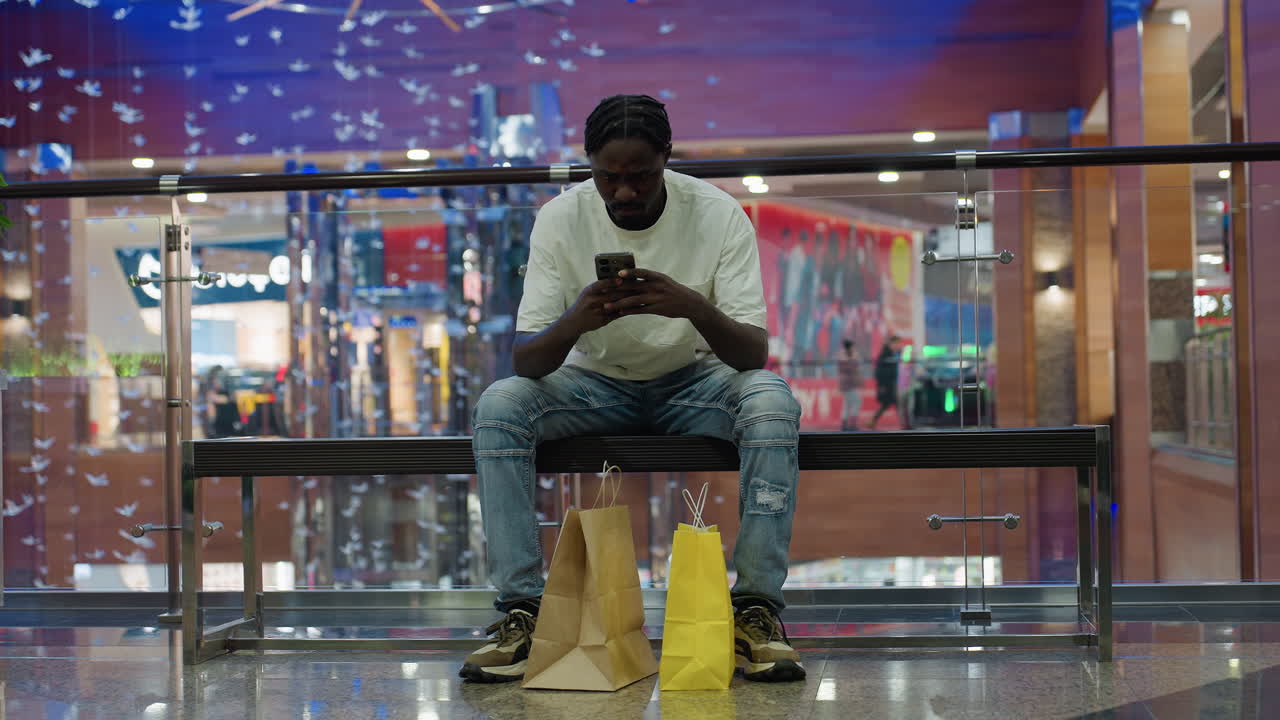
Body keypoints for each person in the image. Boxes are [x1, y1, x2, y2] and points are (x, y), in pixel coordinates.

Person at [462, 95, 804, 685]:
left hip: (695, 382)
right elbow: (526, 360)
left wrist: (692, 306)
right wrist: (577, 320)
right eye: (608, 178)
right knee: (499, 407)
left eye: (640, 177)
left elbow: (752, 354)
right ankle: (523, 611)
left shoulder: (719, 213)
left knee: (772, 403)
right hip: (594, 385)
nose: (624, 193)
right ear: (590, 165)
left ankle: (755, 611)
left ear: (666, 160)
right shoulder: (560, 217)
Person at [870, 335, 902, 429]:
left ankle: (873, 420)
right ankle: (904, 423)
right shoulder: (884, 354)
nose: (898, 345)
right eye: (896, 343)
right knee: (890, 404)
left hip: (897, 384)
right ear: (891, 344)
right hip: (888, 384)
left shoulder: (898, 354)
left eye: (899, 343)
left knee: (893, 404)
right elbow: (879, 372)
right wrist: (881, 385)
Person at [837, 339, 863, 431]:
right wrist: (854, 359)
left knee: (847, 404)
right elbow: (852, 368)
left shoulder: (844, 356)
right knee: (856, 402)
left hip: (846, 384)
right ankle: (852, 424)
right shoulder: (847, 357)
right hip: (848, 384)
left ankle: (845, 424)